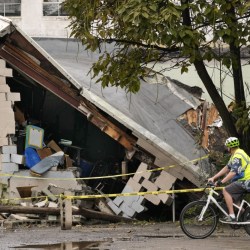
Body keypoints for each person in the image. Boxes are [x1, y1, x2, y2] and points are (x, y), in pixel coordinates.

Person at [208, 137, 250, 222]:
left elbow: (233, 172)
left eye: (227, 146)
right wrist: (214, 177)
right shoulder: (236, 154)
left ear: (229, 147)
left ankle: (232, 216)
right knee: (230, 198)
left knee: (226, 190)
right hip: (244, 180)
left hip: (246, 181)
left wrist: (221, 182)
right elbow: (227, 168)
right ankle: (244, 214)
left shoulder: (237, 156)